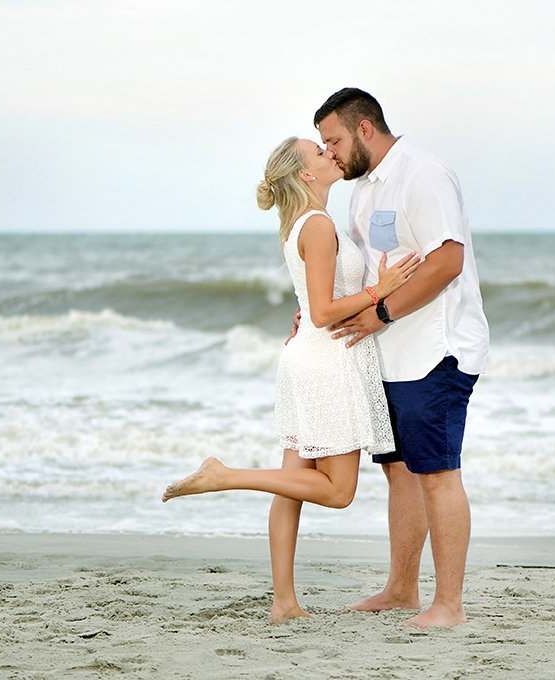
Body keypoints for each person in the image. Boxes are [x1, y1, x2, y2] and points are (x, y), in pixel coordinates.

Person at [161, 136, 420, 624]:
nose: (330, 155)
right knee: (338, 491)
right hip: (327, 364)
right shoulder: (318, 225)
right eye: (319, 154)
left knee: (292, 486)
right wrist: (378, 291)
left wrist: (321, 308)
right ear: (305, 174)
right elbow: (323, 312)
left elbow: (310, 302)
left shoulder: (302, 223)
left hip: (309, 360)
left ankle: (284, 604)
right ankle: (224, 476)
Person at [313, 88, 489, 628]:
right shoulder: (363, 190)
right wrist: (323, 311)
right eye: (324, 145)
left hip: (435, 351)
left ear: (365, 129)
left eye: (334, 140)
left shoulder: (423, 175)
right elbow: (370, 272)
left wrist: (383, 314)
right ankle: (402, 589)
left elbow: (447, 261)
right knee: (400, 473)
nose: (331, 153)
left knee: (437, 473)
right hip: (387, 356)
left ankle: (449, 605)